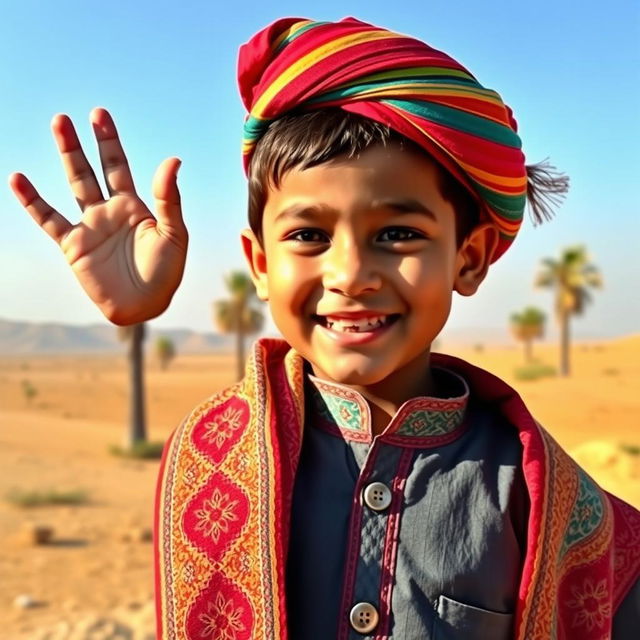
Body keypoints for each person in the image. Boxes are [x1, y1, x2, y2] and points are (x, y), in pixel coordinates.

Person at [9, 16, 639, 640]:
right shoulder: (215, 457)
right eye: (308, 235)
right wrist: (140, 320)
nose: (351, 273)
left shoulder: (535, 489)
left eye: (399, 234)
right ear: (260, 264)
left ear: (467, 258)